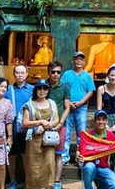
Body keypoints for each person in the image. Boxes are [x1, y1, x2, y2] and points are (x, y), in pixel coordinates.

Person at [76, 110, 115, 189]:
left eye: (103, 119)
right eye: (98, 119)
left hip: (103, 167)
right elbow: (79, 151)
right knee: (89, 167)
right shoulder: (88, 134)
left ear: (106, 121)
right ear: (95, 121)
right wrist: (78, 157)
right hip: (90, 166)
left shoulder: (110, 136)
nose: (101, 122)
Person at [22, 79, 59, 189]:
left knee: (49, 165)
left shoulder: (52, 103)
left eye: (45, 88)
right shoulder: (29, 104)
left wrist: (45, 126)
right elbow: (25, 123)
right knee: (33, 167)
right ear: (35, 90)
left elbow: (56, 120)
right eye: (40, 88)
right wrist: (40, 122)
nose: (42, 91)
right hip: (34, 140)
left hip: (48, 140)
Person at [60, 51, 96, 165]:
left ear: (84, 62)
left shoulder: (87, 75)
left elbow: (90, 91)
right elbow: (62, 89)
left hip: (82, 108)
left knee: (81, 133)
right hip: (68, 108)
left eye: (81, 59)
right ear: (73, 61)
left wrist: (81, 102)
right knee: (66, 133)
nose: (79, 61)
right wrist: (68, 102)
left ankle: (81, 157)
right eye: (77, 59)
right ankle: (64, 157)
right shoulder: (66, 74)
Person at [3, 64, 34, 189]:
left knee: (26, 154)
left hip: (27, 126)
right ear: (14, 74)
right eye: (17, 72)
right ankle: (12, 179)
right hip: (11, 125)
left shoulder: (33, 89)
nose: (20, 75)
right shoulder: (8, 90)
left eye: (22, 73)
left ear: (27, 74)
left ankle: (28, 180)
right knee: (12, 154)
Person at [47, 61, 71, 189]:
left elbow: (67, 107)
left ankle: (56, 181)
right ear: (48, 72)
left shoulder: (65, 87)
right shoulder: (44, 86)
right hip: (45, 125)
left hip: (61, 125)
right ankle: (45, 179)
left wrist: (61, 123)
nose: (55, 75)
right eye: (53, 72)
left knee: (58, 153)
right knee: (44, 153)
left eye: (58, 72)